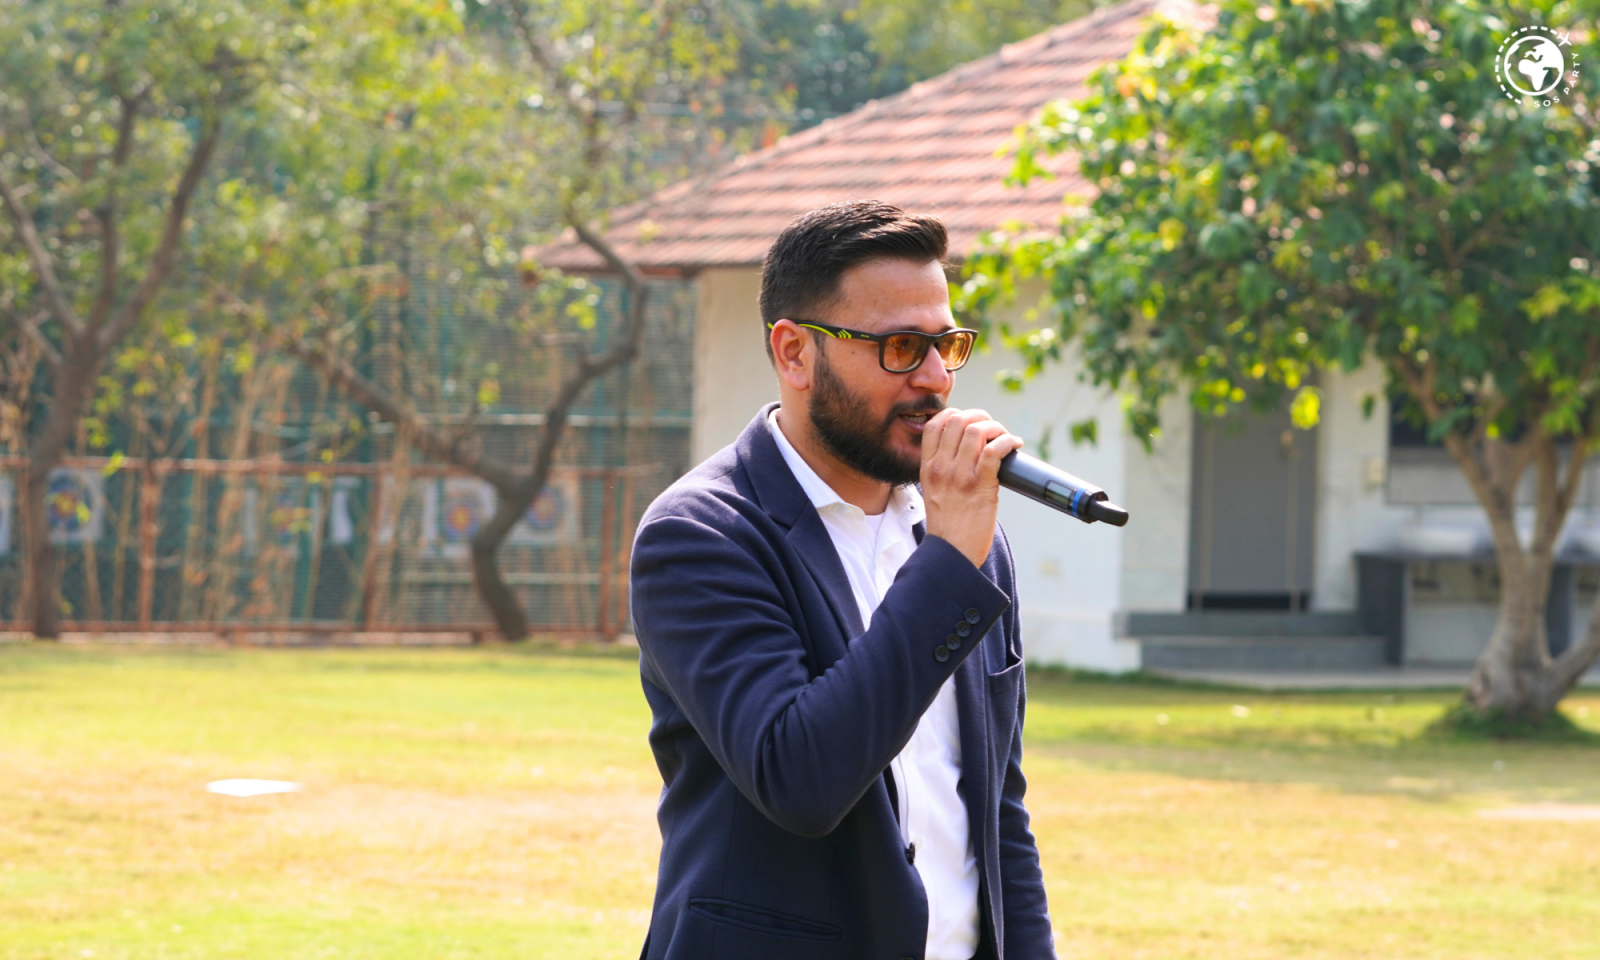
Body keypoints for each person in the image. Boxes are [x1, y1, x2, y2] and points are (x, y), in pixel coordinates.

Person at [629, 200, 1055, 960]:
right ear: (794, 353)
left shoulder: (963, 535)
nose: (934, 380)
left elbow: (998, 810)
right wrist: (951, 564)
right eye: (899, 347)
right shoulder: (701, 534)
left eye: (946, 344)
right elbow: (802, 778)